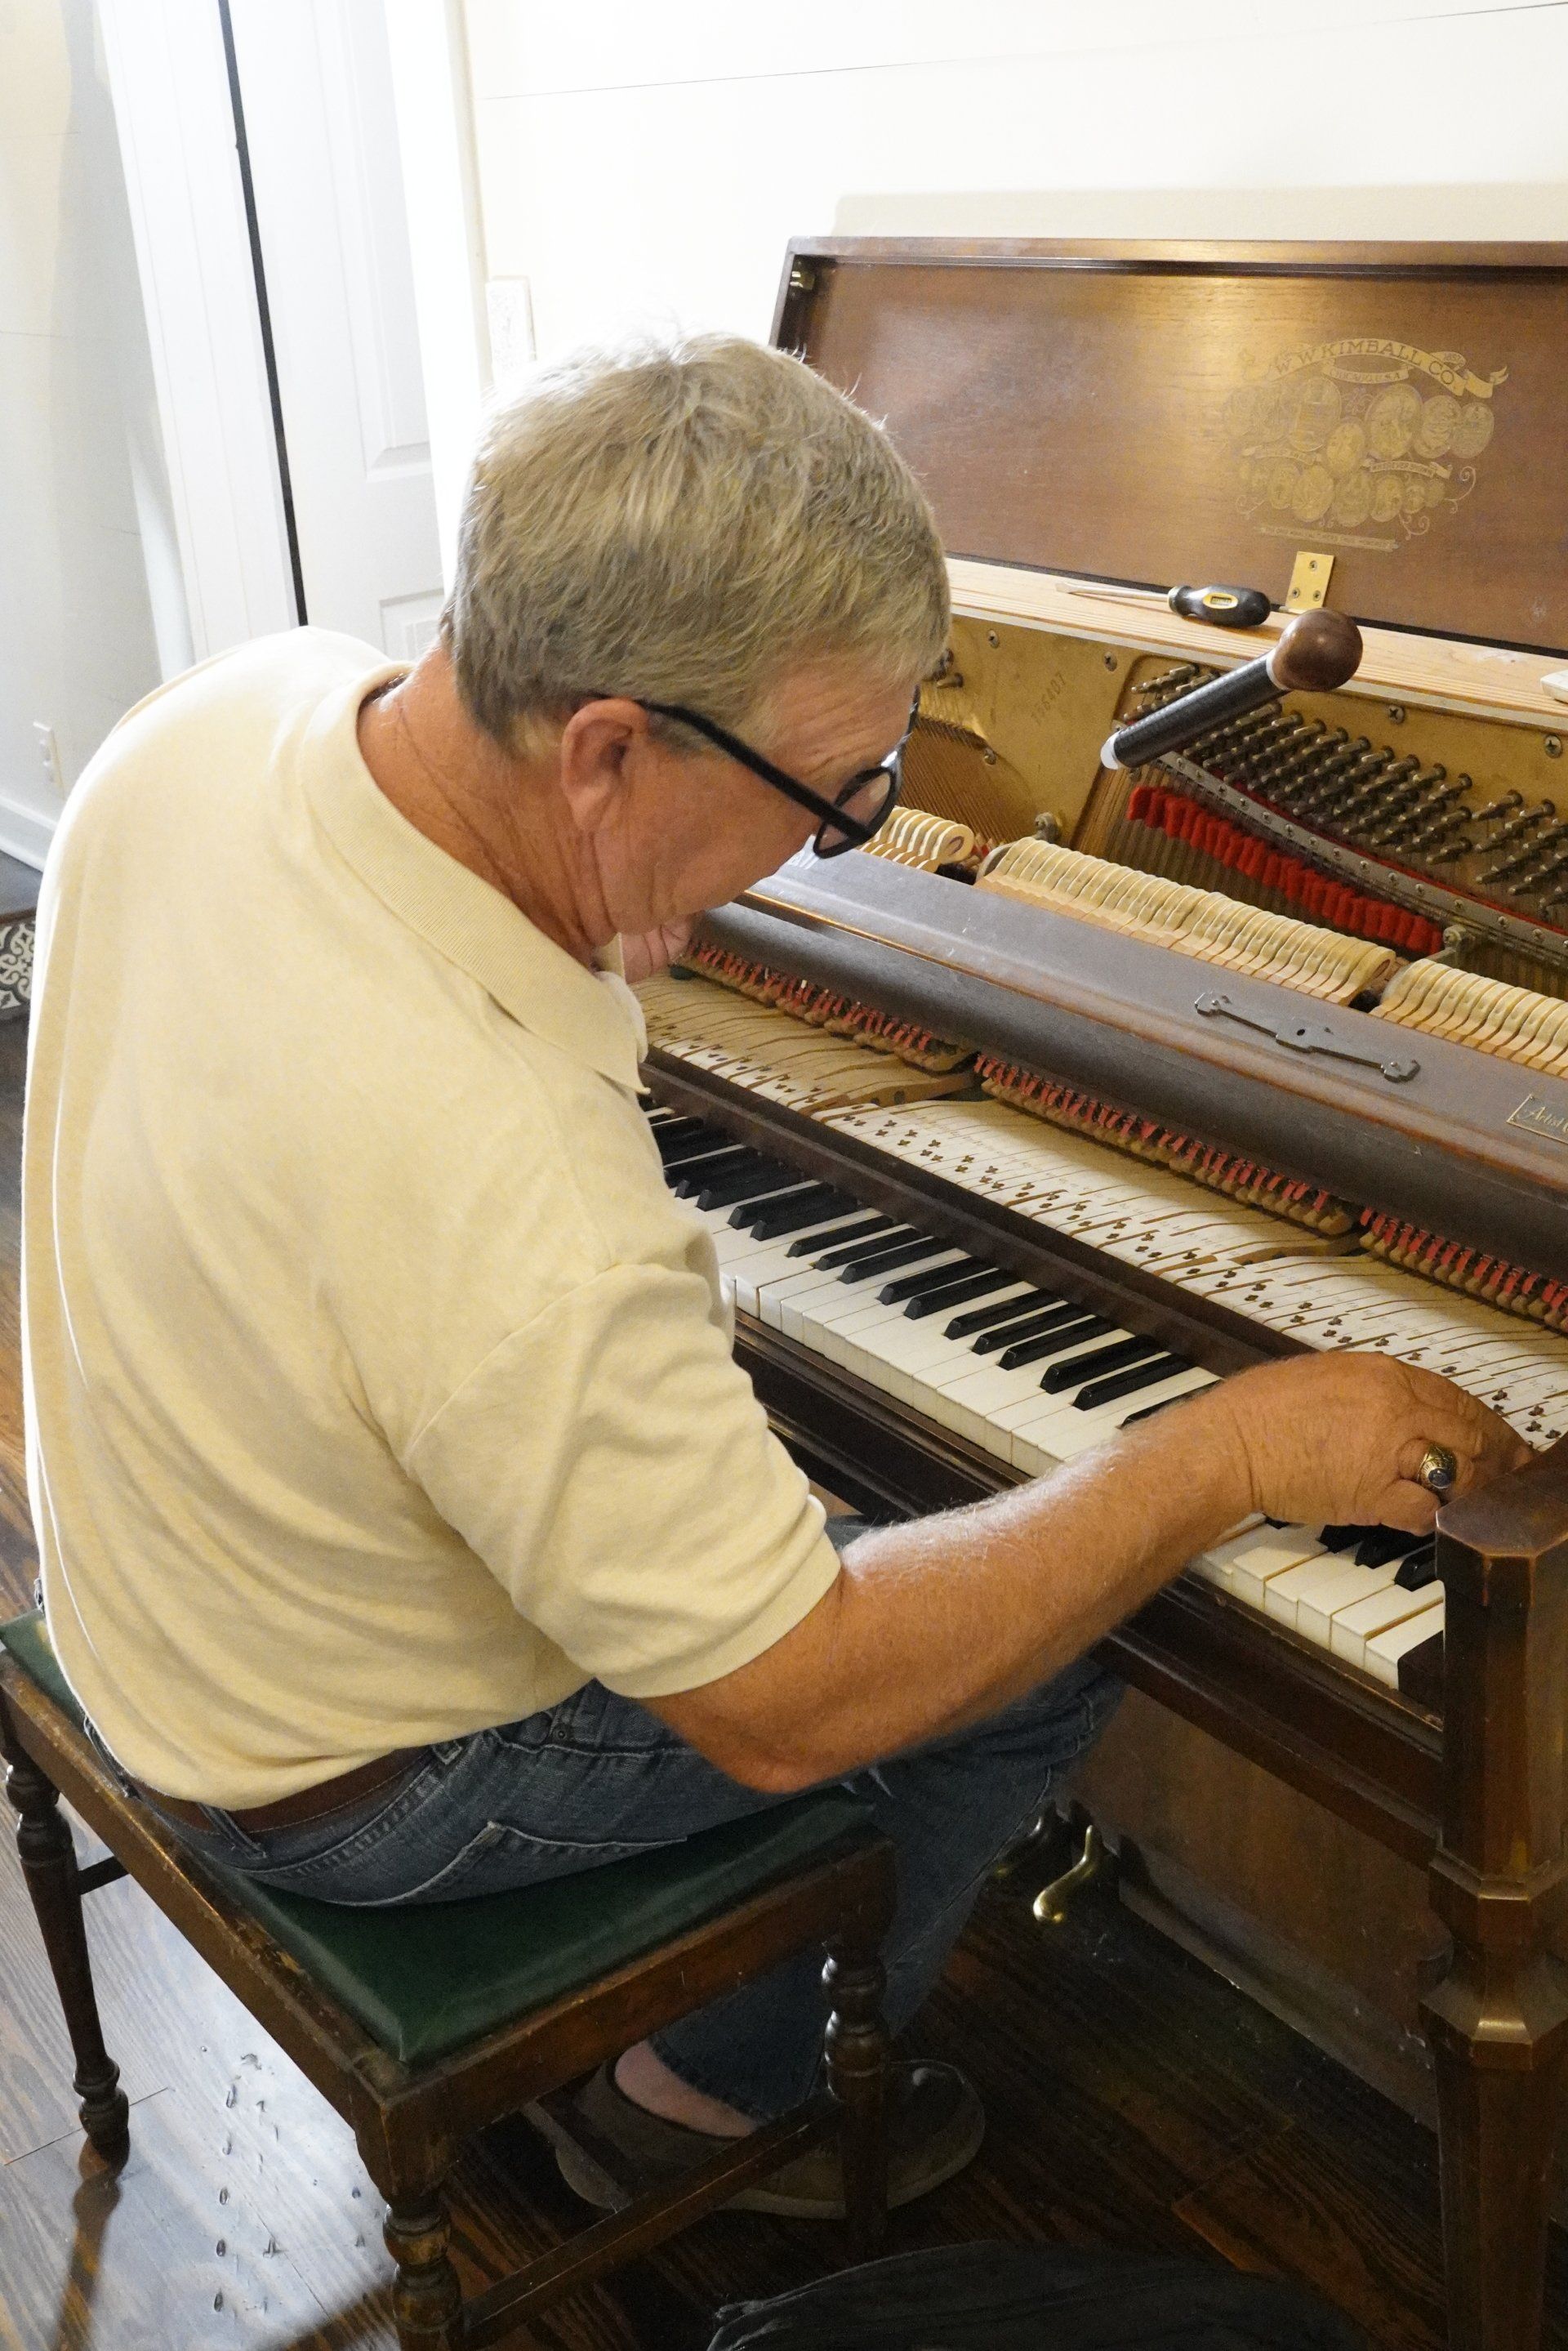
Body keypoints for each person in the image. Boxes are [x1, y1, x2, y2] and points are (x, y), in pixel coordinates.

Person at [21, 337, 1527, 2219]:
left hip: (159, 1585)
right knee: (1048, 1639)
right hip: (339, 1773)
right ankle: (702, 2097)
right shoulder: (490, 1156)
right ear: (604, 751)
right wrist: (1221, 1450)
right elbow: (792, 1697)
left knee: (927, 1522)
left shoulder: (223, 719)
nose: (835, 845)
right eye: (838, 789)